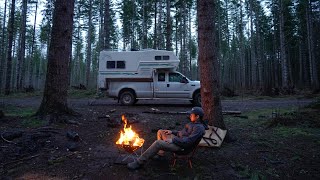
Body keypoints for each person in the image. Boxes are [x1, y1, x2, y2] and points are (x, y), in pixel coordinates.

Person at [127, 107, 206, 170]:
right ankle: (160, 155)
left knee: (158, 143)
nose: (190, 116)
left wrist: (173, 140)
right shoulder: (192, 123)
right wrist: (172, 132)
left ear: (197, 116)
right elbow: (181, 133)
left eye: (191, 114)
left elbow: (188, 141)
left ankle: (139, 162)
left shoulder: (199, 128)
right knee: (161, 132)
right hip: (179, 141)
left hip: (182, 147)